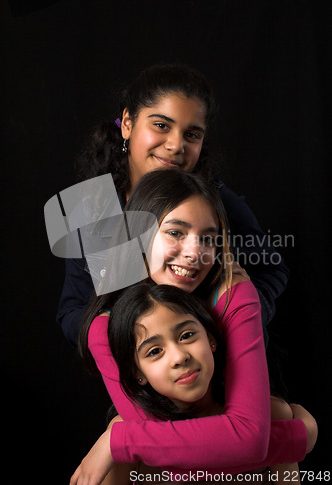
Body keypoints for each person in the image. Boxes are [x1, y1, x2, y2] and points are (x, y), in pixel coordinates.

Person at [70, 169, 316, 485]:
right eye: (175, 232)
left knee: (277, 411)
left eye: (209, 239)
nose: (194, 253)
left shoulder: (233, 294)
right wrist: (296, 438)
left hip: (230, 416)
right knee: (120, 428)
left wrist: (119, 441)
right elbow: (161, 453)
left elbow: (249, 436)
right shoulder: (104, 327)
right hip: (172, 438)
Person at [56, 62, 289, 346]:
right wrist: (128, 334)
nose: (176, 145)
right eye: (161, 125)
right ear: (128, 123)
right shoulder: (92, 208)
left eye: (192, 134)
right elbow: (72, 311)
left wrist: (236, 315)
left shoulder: (216, 202)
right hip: (139, 379)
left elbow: (272, 270)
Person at [96, 283, 303, 485]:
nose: (179, 357)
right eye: (155, 351)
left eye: (186, 336)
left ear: (210, 338)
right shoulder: (123, 432)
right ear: (138, 374)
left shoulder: (274, 414)